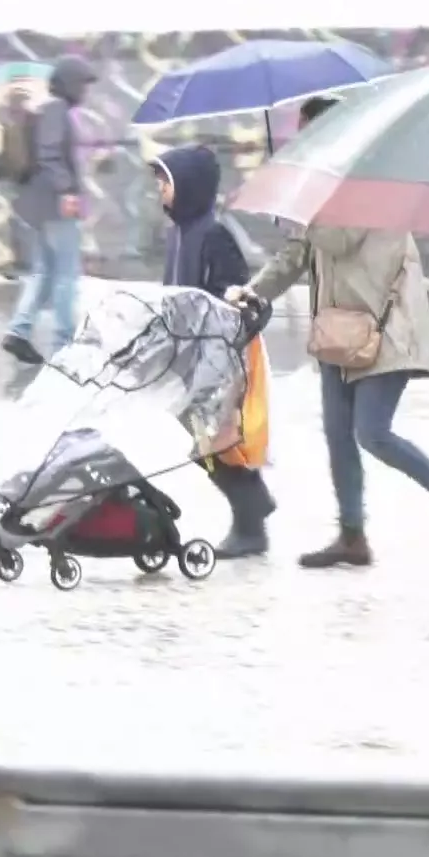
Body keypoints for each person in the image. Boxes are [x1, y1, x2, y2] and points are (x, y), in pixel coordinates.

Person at [229, 95, 429, 568]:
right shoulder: (323, 192)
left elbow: (337, 239)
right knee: (339, 436)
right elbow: (297, 255)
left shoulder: (369, 186)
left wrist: (297, 202)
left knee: (372, 432)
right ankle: (351, 535)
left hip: (384, 331)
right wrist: (254, 291)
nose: (302, 145)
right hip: (339, 332)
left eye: (309, 136)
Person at [150, 145, 276, 560]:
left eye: (164, 181)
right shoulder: (179, 234)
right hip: (186, 358)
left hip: (218, 358)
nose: (159, 189)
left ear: (187, 187)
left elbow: (232, 290)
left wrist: (229, 300)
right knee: (205, 442)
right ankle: (252, 505)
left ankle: (250, 523)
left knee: (217, 441)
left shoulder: (213, 234)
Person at [2, 55, 96, 367]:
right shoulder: (56, 111)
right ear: (69, 83)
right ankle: (64, 343)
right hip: (55, 205)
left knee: (43, 272)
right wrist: (67, 190)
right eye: (82, 84)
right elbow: (49, 154)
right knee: (67, 274)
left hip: (37, 207)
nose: (85, 91)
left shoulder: (45, 110)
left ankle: (19, 331)